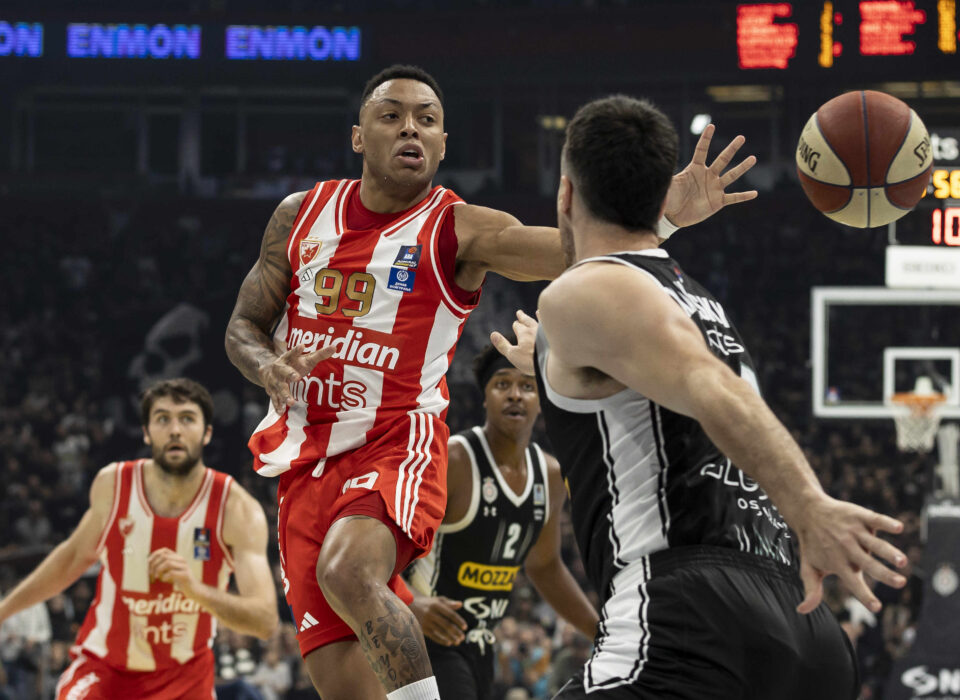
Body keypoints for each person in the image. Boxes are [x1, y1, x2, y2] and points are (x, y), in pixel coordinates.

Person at [224, 63, 756, 700]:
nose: (410, 128)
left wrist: (659, 217)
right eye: (391, 115)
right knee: (348, 687)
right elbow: (243, 326)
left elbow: (570, 250)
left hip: (397, 442)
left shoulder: (459, 228)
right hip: (306, 460)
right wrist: (266, 366)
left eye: (427, 119)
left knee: (348, 569)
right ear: (359, 135)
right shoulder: (300, 215)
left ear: (444, 143)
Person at [490, 95, 909, 698]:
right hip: (804, 626)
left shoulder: (582, 290)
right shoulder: (695, 297)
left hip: (688, 610)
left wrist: (810, 505)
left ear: (566, 196)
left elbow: (705, 384)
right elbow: (663, 387)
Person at [0, 378, 279, 700]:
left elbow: (264, 621)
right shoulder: (114, 484)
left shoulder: (236, 508)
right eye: (163, 418)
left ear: (206, 432)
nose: (175, 430)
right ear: (146, 431)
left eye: (187, 418)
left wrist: (195, 590)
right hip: (105, 670)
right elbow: (70, 559)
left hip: (185, 679)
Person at [404, 342, 597, 700]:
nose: (515, 395)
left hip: (481, 643)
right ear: (484, 397)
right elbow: (390, 548)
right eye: (502, 384)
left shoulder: (551, 475)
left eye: (528, 386)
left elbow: (545, 567)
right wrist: (411, 602)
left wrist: (601, 633)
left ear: (542, 399)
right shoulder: (455, 460)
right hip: (427, 638)